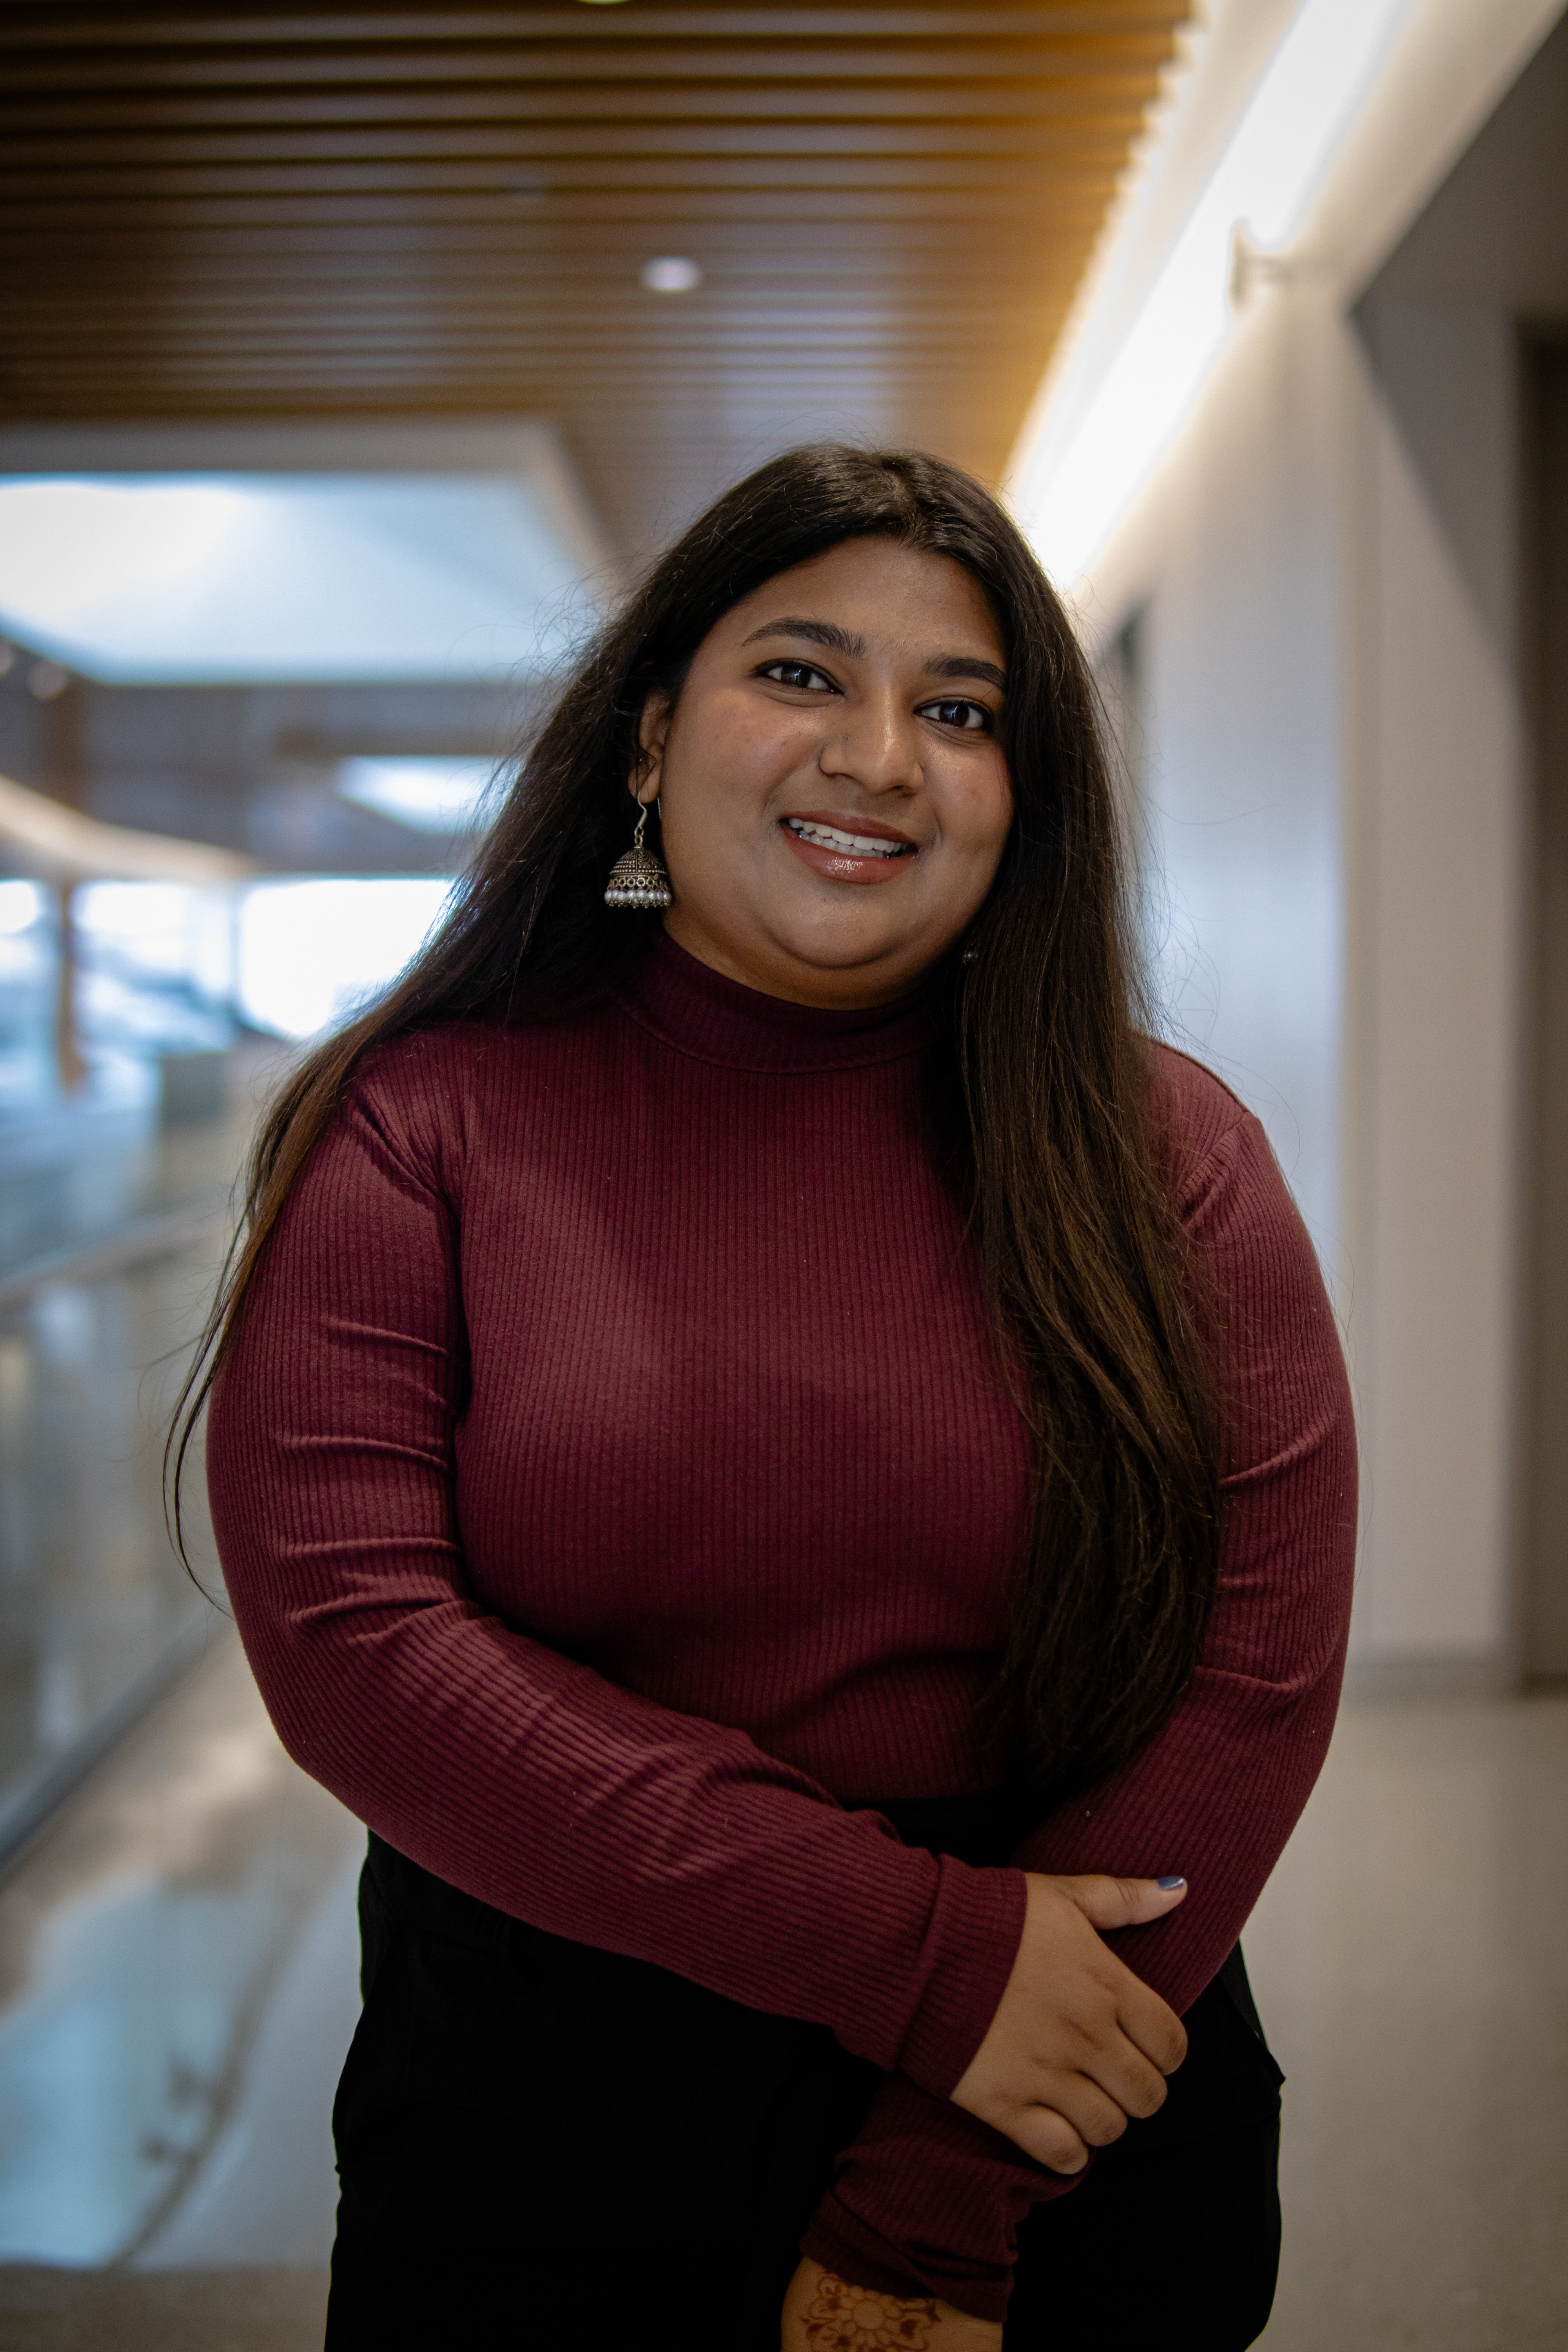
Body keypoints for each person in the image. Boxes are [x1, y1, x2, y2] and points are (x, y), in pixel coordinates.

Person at [182, 446, 1356, 2351]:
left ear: (1021, 796)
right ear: (648, 740)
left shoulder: (1167, 1154)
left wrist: (941, 2199)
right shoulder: (423, 1127)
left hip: (1064, 2096)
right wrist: (914, 1955)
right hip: (547, 2100)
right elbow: (357, 1646)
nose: (878, 755)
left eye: (957, 710)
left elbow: (1251, 1680)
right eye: (801, 674)